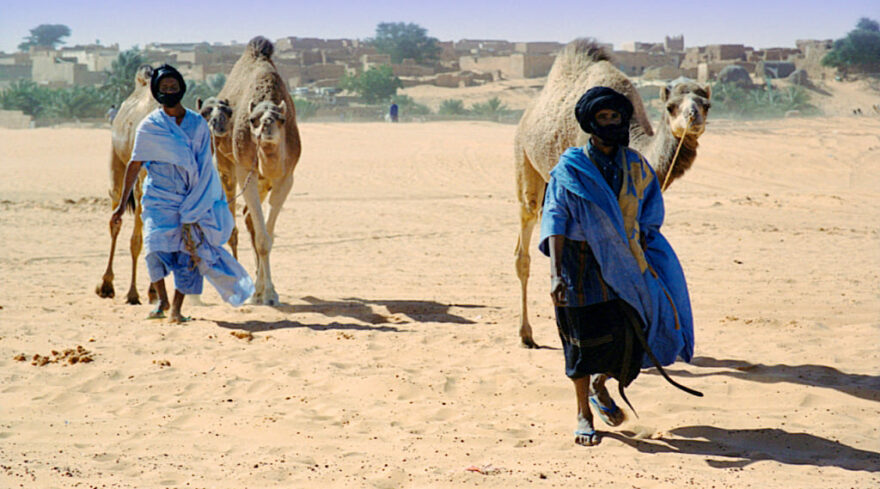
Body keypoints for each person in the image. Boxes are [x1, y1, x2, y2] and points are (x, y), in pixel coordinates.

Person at [539, 87, 696, 446]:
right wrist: (556, 275)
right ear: (591, 123)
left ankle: (601, 385)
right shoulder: (569, 168)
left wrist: (647, 252)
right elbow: (555, 219)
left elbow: (650, 217)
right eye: (603, 118)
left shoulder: (638, 166)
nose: (611, 123)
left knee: (631, 338)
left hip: (627, 264)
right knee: (579, 343)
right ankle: (583, 413)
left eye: (616, 117)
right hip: (579, 265)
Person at [110, 64, 254, 322]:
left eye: (173, 87)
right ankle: (162, 300)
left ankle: (176, 309)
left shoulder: (197, 124)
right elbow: (135, 164)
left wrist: (201, 199)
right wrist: (122, 205)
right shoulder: (149, 126)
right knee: (154, 249)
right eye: (163, 88)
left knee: (188, 254)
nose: (169, 91)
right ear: (156, 91)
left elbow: (205, 163)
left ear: (181, 89)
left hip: (191, 197)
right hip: (158, 198)